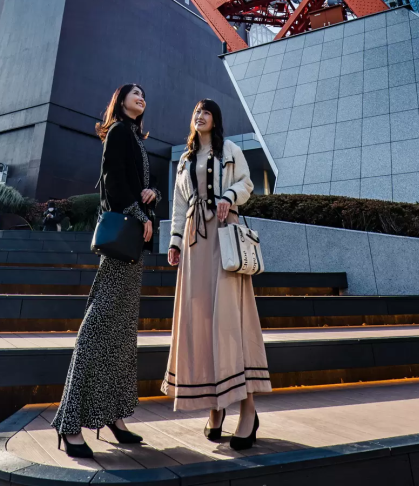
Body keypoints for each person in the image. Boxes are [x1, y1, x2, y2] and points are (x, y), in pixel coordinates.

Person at [52, 83, 160, 458]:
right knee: (99, 327)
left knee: (122, 331)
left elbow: (139, 184)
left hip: (133, 243)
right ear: (121, 100)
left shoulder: (135, 137)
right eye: (135, 93)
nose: (141, 97)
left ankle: (113, 416)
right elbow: (113, 183)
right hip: (121, 242)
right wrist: (136, 211)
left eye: (144, 95)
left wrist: (152, 196)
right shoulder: (117, 132)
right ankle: (69, 424)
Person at [162, 99, 271, 449]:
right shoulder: (185, 160)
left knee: (229, 321)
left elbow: (247, 184)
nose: (199, 115)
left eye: (206, 112)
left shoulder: (231, 150)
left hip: (225, 238)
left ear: (215, 119)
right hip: (195, 244)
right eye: (196, 112)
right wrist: (175, 241)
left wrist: (228, 195)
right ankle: (214, 406)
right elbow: (179, 205)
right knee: (200, 321)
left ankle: (248, 410)